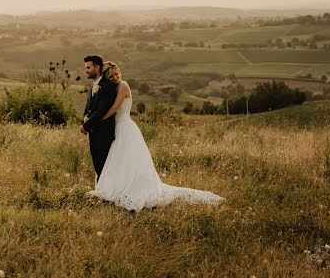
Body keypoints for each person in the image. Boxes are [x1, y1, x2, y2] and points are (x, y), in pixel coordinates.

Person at [88, 61, 224, 212]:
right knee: (119, 161)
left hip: (126, 128)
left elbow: (114, 108)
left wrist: (98, 119)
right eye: (112, 76)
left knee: (130, 160)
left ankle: (133, 189)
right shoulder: (112, 87)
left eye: (116, 74)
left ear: (120, 72)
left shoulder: (123, 85)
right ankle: (118, 187)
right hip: (117, 128)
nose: (115, 77)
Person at [80, 55, 119, 183]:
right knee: (97, 162)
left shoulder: (107, 86)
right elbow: (88, 108)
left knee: (104, 164)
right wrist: (83, 121)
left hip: (104, 132)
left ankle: (108, 193)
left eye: (88, 67)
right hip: (94, 131)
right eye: (85, 67)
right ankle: (103, 190)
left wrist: (86, 126)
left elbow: (101, 111)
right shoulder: (93, 86)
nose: (85, 70)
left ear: (97, 67)